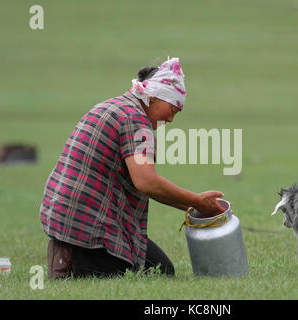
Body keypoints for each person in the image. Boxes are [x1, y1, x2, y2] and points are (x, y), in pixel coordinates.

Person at [40, 57, 226, 279]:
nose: (171, 119)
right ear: (155, 97)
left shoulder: (113, 105)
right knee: (158, 273)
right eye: (172, 110)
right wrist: (196, 201)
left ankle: (68, 251)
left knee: (159, 267)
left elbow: (147, 184)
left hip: (65, 215)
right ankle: (74, 258)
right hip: (89, 223)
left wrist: (196, 208)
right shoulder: (135, 120)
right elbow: (147, 182)